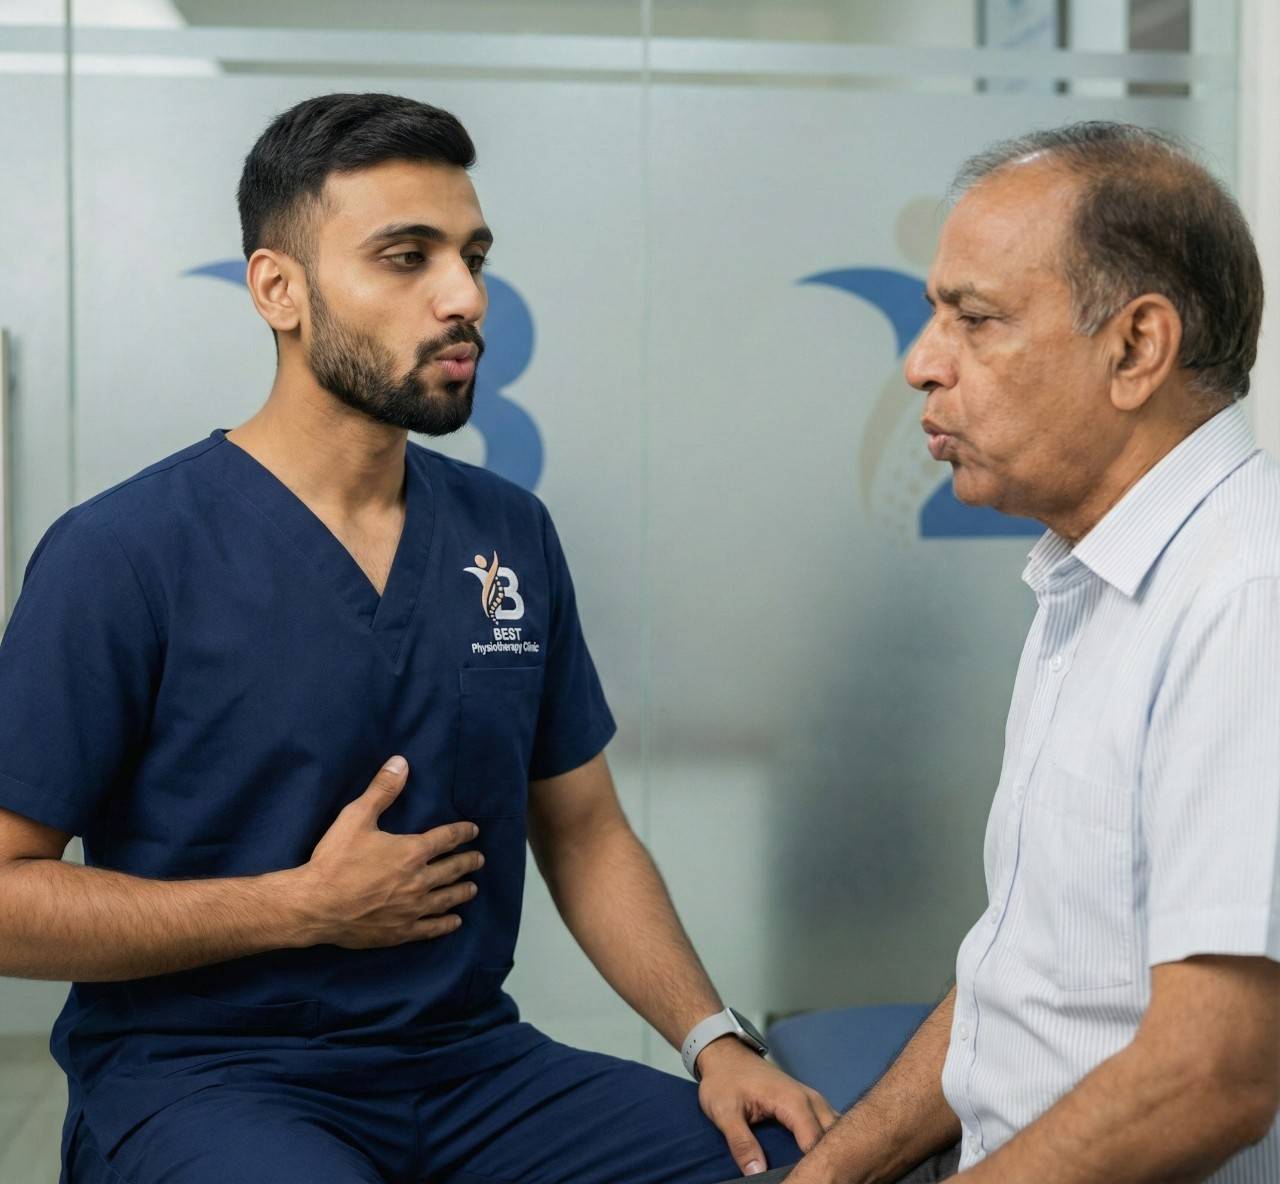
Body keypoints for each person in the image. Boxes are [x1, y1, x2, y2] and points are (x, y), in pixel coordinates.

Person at [0, 92, 833, 1184]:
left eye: (472, 256)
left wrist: (711, 1039)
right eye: (407, 257)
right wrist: (295, 906)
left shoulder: (506, 533)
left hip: (470, 1070)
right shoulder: (123, 552)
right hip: (207, 1076)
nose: (465, 297)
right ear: (277, 289)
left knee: (794, 1161)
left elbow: (582, 830)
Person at [727, 122, 1280, 1184]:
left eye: (973, 320)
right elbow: (1020, 975)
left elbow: (1212, 1073)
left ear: (1134, 348)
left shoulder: (1241, 599)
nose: (920, 362)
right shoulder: (1091, 572)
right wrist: (831, 1172)